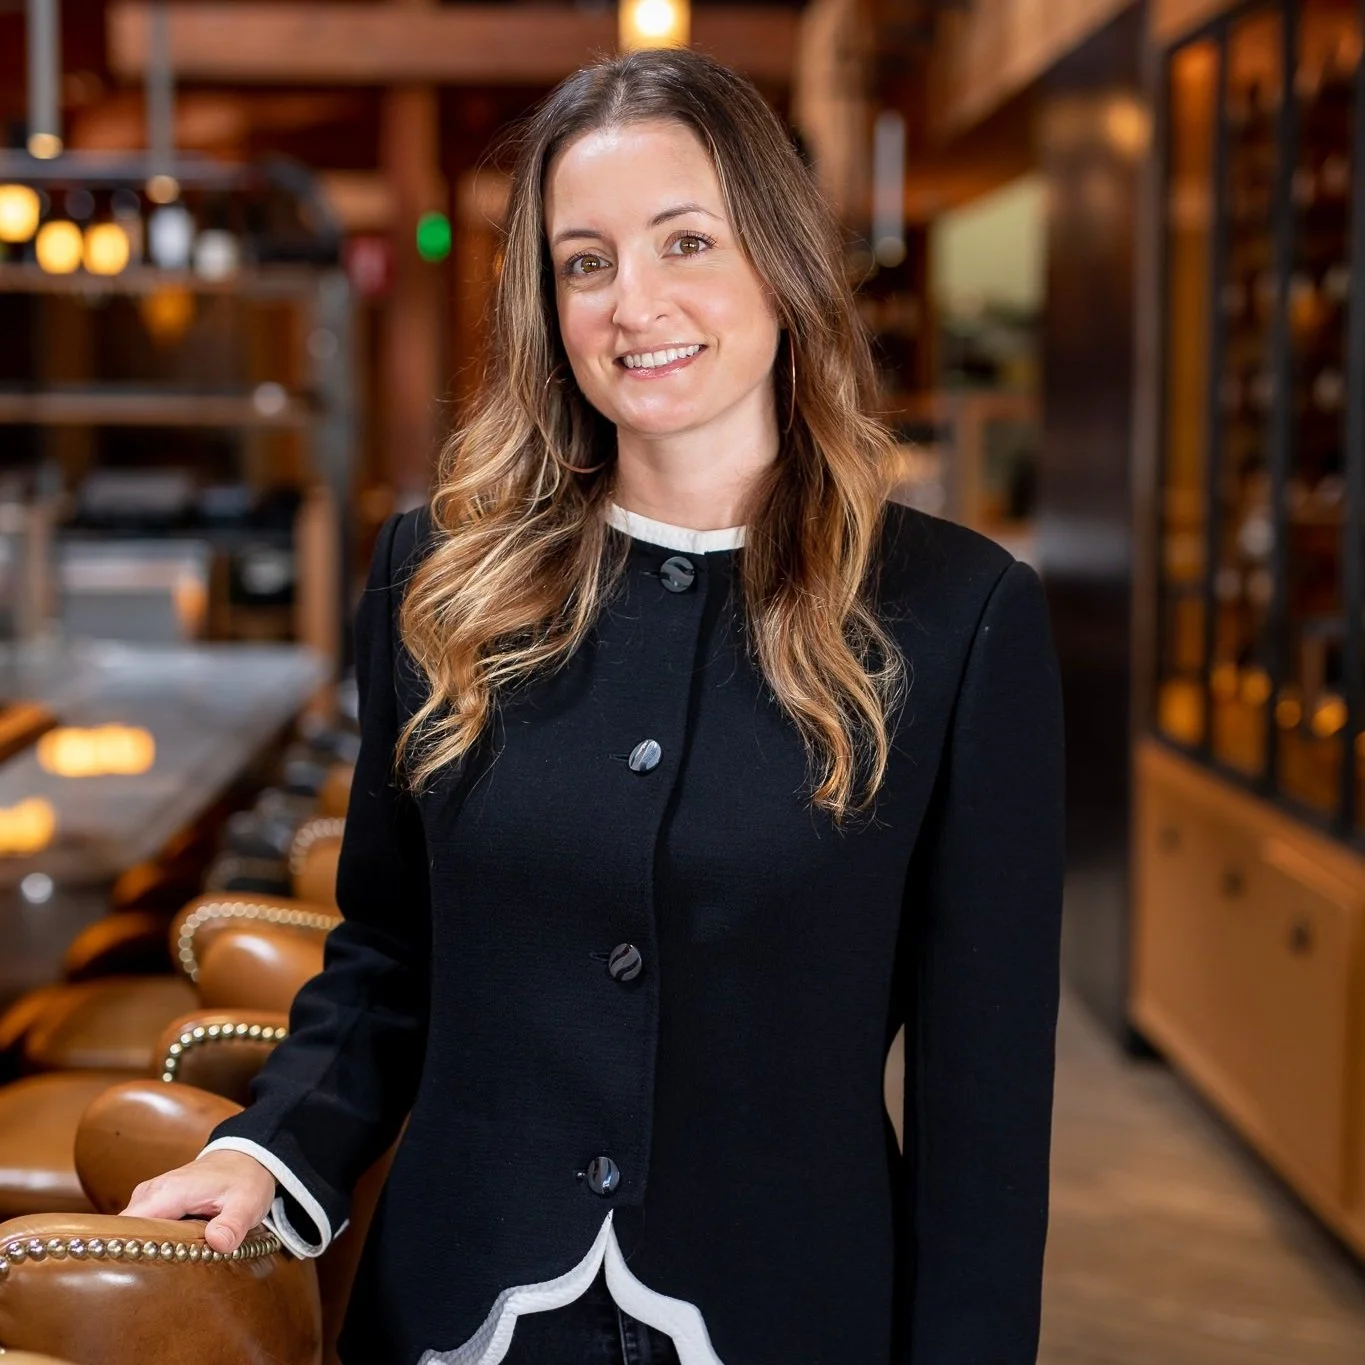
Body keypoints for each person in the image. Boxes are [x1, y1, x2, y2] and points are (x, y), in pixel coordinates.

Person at [122, 47, 1065, 1365]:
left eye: (687, 241)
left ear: (781, 265)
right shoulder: (437, 577)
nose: (637, 304)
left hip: (789, 1315)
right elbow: (389, 959)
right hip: (462, 1309)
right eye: (586, 261)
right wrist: (271, 1153)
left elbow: (986, 1108)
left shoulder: (961, 618)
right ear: (546, 304)